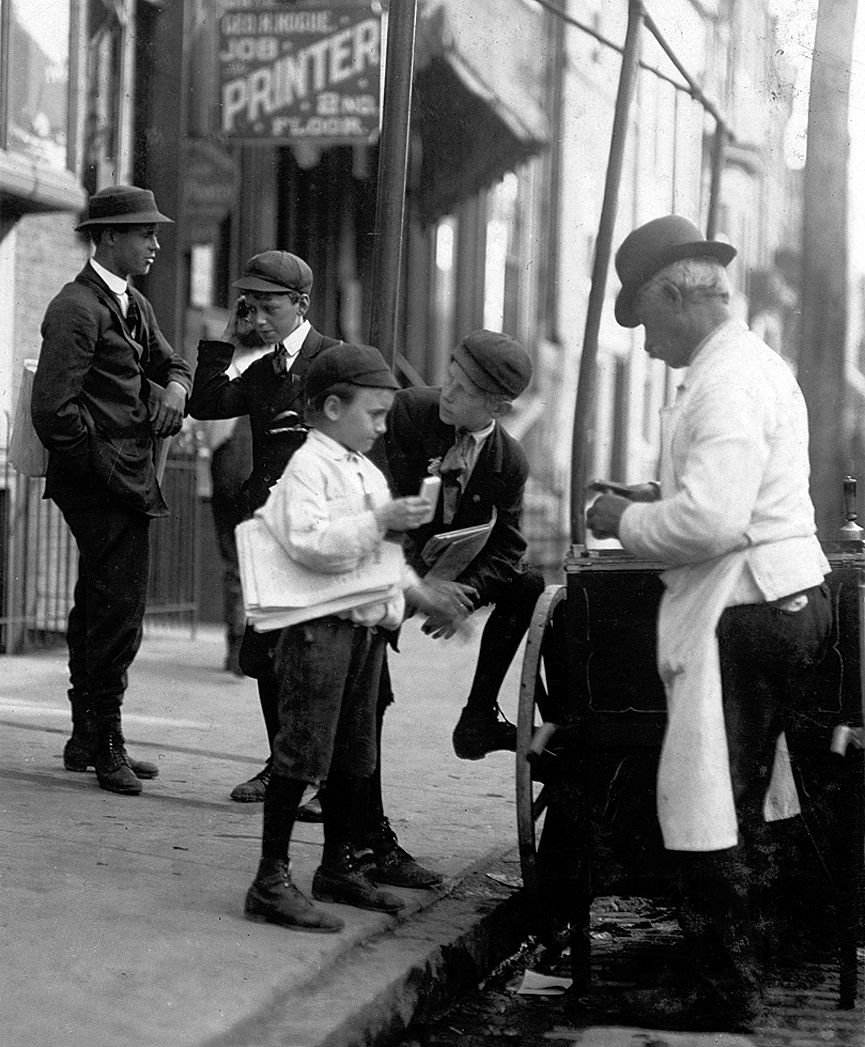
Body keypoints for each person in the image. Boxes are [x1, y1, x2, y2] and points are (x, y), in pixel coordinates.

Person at [585, 214, 832, 1031]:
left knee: (707, 797)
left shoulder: (724, 381)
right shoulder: (748, 364)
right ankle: (745, 969)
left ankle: (724, 991)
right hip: (782, 597)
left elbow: (713, 523)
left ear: (675, 296)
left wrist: (620, 519)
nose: (646, 341)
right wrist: (655, 503)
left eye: (646, 319)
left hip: (743, 604)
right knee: (753, 797)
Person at [244, 342, 463, 932]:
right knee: (301, 753)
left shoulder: (365, 469)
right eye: (375, 414)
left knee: (352, 755)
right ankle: (270, 877)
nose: (382, 426)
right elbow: (310, 543)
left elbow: (383, 553)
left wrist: (418, 592)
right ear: (333, 407)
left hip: (363, 634)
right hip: (318, 633)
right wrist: (379, 521)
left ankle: (338, 867)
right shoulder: (305, 467)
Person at [31, 184, 193, 795]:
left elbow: (171, 365)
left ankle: (84, 737)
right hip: (104, 483)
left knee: (103, 605)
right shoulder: (76, 308)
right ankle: (106, 745)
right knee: (117, 612)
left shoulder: (130, 304)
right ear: (107, 238)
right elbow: (53, 410)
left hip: (126, 478)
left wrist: (175, 390)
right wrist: (97, 462)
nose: (154, 243)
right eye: (143, 233)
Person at [188, 250, 340, 811]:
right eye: (250, 303)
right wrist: (227, 337)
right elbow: (206, 403)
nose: (257, 313)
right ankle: (283, 764)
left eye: (268, 303)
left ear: (300, 304)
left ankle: (324, 778)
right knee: (263, 655)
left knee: (318, 658)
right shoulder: (263, 369)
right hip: (267, 529)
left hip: (317, 530)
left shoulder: (336, 362)